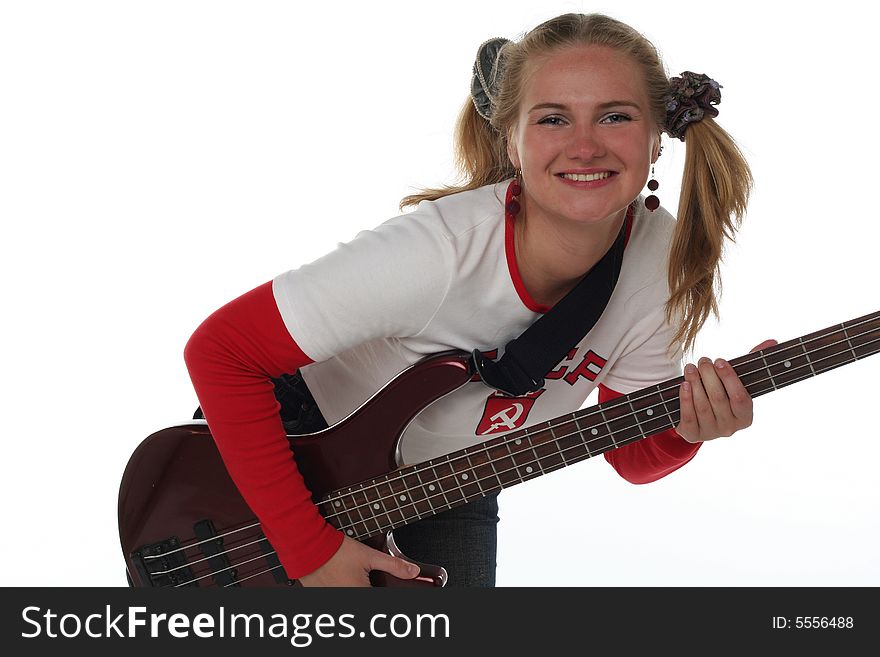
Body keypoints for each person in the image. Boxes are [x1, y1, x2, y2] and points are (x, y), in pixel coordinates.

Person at [184, 12, 775, 587]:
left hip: (452, 478)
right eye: (552, 120)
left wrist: (688, 430)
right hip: (301, 459)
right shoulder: (438, 252)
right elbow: (221, 352)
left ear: (655, 140)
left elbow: (630, 455)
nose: (585, 146)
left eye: (615, 116)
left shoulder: (663, 265)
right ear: (512, 143)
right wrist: (308, 549)